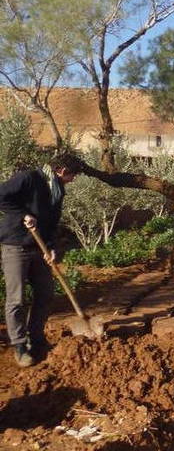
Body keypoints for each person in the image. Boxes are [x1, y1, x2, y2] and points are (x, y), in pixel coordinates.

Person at [0, 154, 80, 367]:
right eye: (73, 175)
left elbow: (52, 222)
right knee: (16, 299)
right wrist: (23, 215)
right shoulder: (28, 178)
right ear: (62, 171)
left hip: (40, 247)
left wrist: (52, 247)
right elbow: (2, 196)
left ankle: (36, 337)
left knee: (45, 293)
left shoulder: (58, 190)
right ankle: (19, 345)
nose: (74, 179)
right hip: (16, 246)